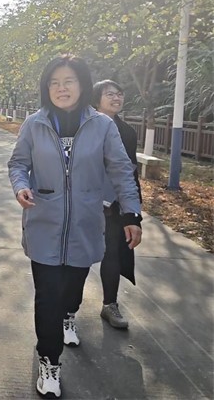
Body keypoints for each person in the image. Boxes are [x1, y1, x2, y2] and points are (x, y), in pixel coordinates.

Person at [7, 55, 142, 399]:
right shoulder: (34, 123)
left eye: (69, 81)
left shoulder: (102, 125)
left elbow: (121, 170)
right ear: (46, 88)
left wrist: (131, 214)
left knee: (71, 290)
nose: (61, 88)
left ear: (82, 85)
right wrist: (21, 186)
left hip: (85, 225)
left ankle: (70, 314)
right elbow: (18, 163)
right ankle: (49, 360)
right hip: (43, 224)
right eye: (54, 82)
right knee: (47, 297)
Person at [92, 80, 142, 329]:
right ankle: (68, 309)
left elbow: (130, 171)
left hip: (113, 204)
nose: (116, 98)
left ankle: (109, 304)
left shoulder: (127, 132)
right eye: (109, 94)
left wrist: (133, 214)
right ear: (96, 99)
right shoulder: (84, 126)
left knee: (111, 252)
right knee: (75, 255)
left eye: (119, 94)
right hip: (85, 202)